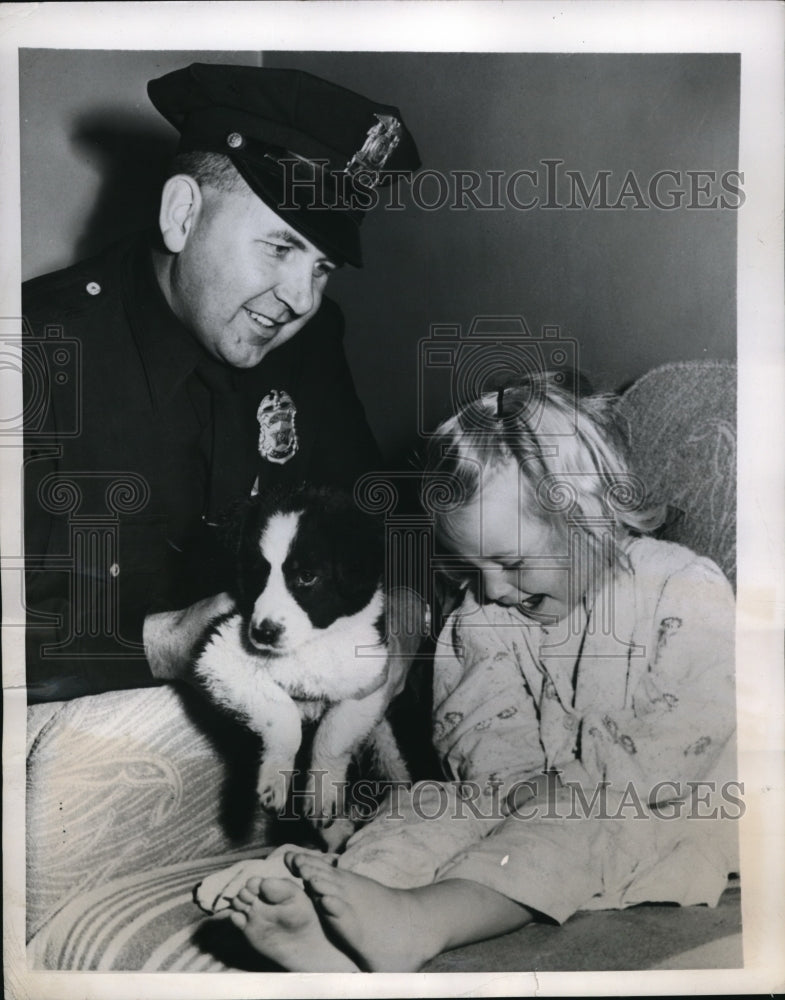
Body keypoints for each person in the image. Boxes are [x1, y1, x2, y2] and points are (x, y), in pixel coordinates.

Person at [195, 372, 738, 972]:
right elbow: (475, 729)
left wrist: (557, 795)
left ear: (594, 515)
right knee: (428, 806)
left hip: (656, 807)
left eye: (510, 561)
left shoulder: (683, 590)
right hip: (519, 796)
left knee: (571, 821)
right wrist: (512, 789)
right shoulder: (485, 612)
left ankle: (420, 922)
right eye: (471, 566)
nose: (492, 587)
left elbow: (688, 731)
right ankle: (334, 919)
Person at [22, 62, 420, 703]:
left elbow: (374, 512)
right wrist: (167, 640)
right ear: (182, 213)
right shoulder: (32, 353)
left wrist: (403, 607)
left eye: (323, 268)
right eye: (281, 247)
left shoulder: (312, 341)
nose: (301, 299)